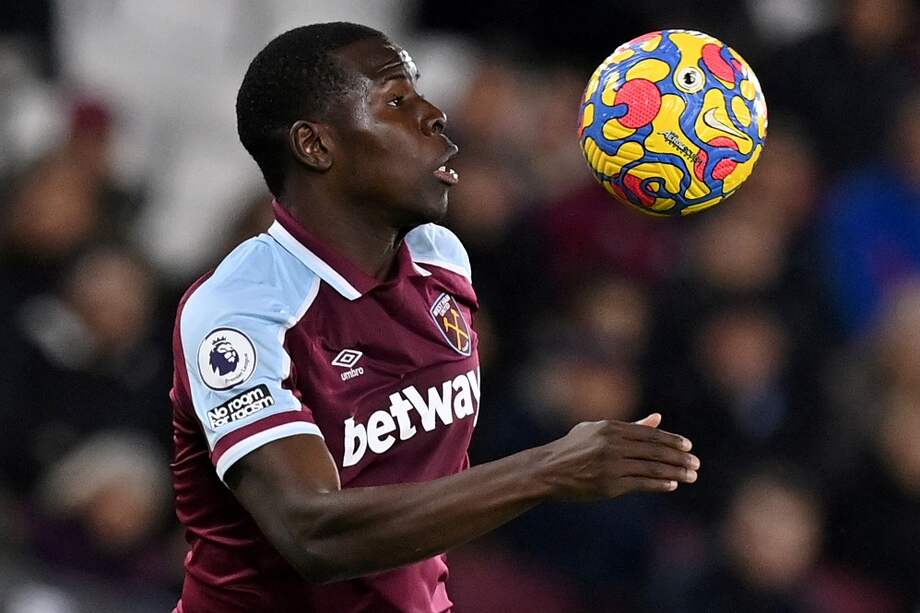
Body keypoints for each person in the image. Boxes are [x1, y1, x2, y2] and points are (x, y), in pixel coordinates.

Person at [169, 22, 700, 612]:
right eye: (397, 101)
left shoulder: (441, 258)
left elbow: (435, 485)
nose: (434, 114)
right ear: (315, 145)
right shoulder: (241, 311)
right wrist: (549, 469)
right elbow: (311, 533)